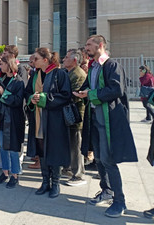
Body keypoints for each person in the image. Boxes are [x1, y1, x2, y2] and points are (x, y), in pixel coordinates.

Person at [74, 35, 138, 217]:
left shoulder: (111, 65)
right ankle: (106, 190)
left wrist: (91, 93)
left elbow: (116, 89)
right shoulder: (93, 66)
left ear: (100, 45)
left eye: (89, 45)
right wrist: (80, 93)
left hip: (108, 120)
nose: (86, 48)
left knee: (109, 161)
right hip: (95, 118)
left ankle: (119, 201)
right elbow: (88, 87)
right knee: (100, 160)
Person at [25, 47, 72, 198]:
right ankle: (45, 182)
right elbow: (27, 92)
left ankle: (56, 184)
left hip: (54, 120)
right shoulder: (35, 74)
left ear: (45, 60)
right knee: (42, 150)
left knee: (54, 150)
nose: (33, 61)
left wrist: (45, 99)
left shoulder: (60, 73)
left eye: (36, 59)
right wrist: (31, 98)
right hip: (38, 118)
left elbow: (65, 96)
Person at [0, 55, 25, 189]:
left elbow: (17, 101)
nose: (0, 66)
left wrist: (3, 93)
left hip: (13, 119)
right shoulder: (3, 78)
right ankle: (5, 172)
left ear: (9, 65)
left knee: (12, 148)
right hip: (1, 116)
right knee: (3, 148)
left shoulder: (19, 82)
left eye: (2, 64)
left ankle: (15, 175)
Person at [62, 49, 87, 186]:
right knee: (71, 144)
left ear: (74, 60)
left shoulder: (78, 74)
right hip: (69, 114)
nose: (64, 59)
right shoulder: (69, 72)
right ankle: (69, 169)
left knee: (76, 145)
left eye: (66, 57)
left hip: (76, 115)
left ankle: (78, 175)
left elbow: (76, 94)